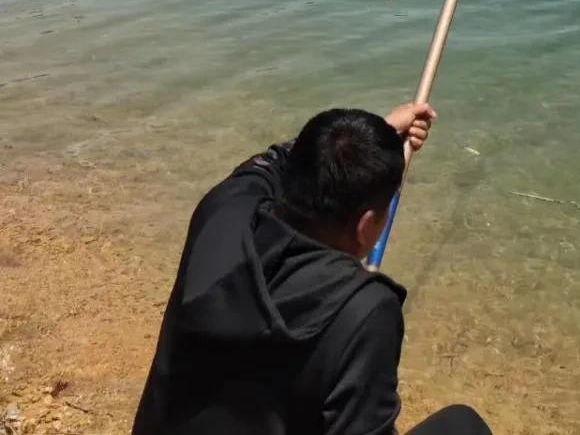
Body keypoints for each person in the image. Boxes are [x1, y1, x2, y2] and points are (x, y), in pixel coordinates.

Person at [133, 104, 491, 435]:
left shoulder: (224, 210)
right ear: (366, 226)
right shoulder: (362, 310)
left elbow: (275, 160)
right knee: (463, 426)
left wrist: (366, 139)